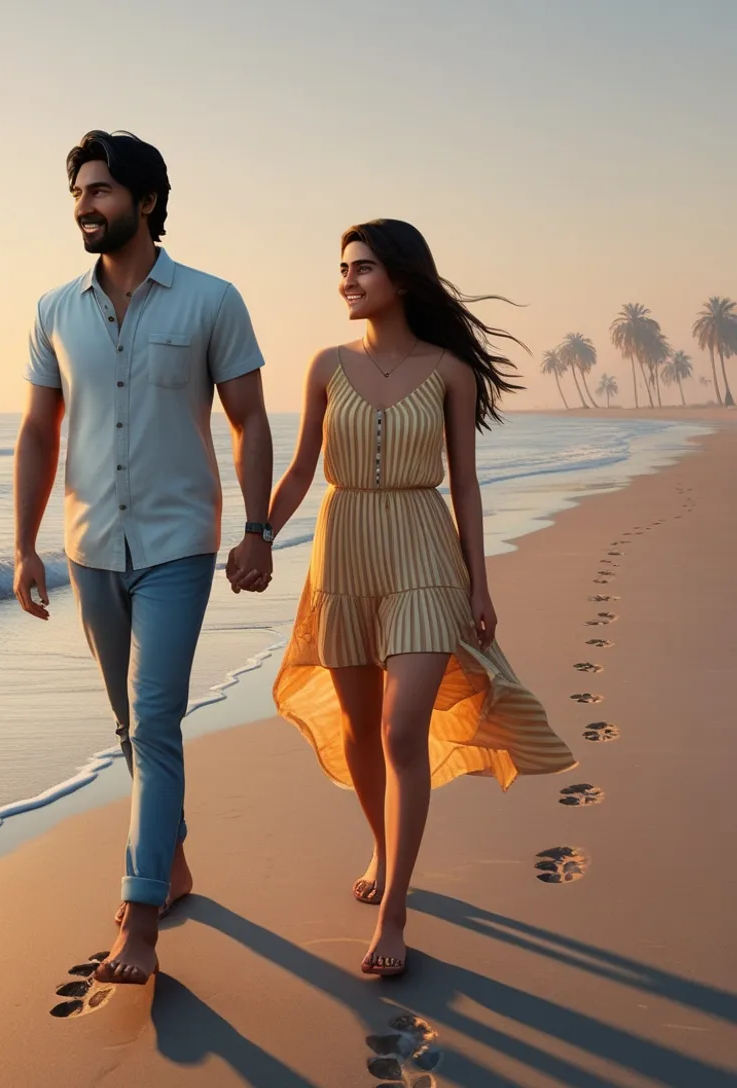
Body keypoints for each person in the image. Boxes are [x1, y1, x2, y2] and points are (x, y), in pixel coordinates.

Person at [268, 219, 576, 977]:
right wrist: (256, 533)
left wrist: (480, 578)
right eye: (341, 268)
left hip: (424, 553)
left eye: (362, 268)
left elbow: (465, 484)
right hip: (342, 554)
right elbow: (304, 469)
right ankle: (381, 842)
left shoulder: (448, 371)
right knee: (357, 729)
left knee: (403, 730)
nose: (346, 280)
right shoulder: (324, 365)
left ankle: (396, 906)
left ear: (401, 279)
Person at [14, 130, 274, 984]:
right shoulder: (55, 311)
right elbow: (36, 432)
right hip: (90, 549)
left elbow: (250, 422)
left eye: (100, 192)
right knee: (129, 725)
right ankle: (176, 860)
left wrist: (258, 528)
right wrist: (23, 547)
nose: (85, 207)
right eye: (78, 195)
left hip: (175, 545)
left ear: (147, 201)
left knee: (155, 720)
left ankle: (140, 916)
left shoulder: (211, 301)